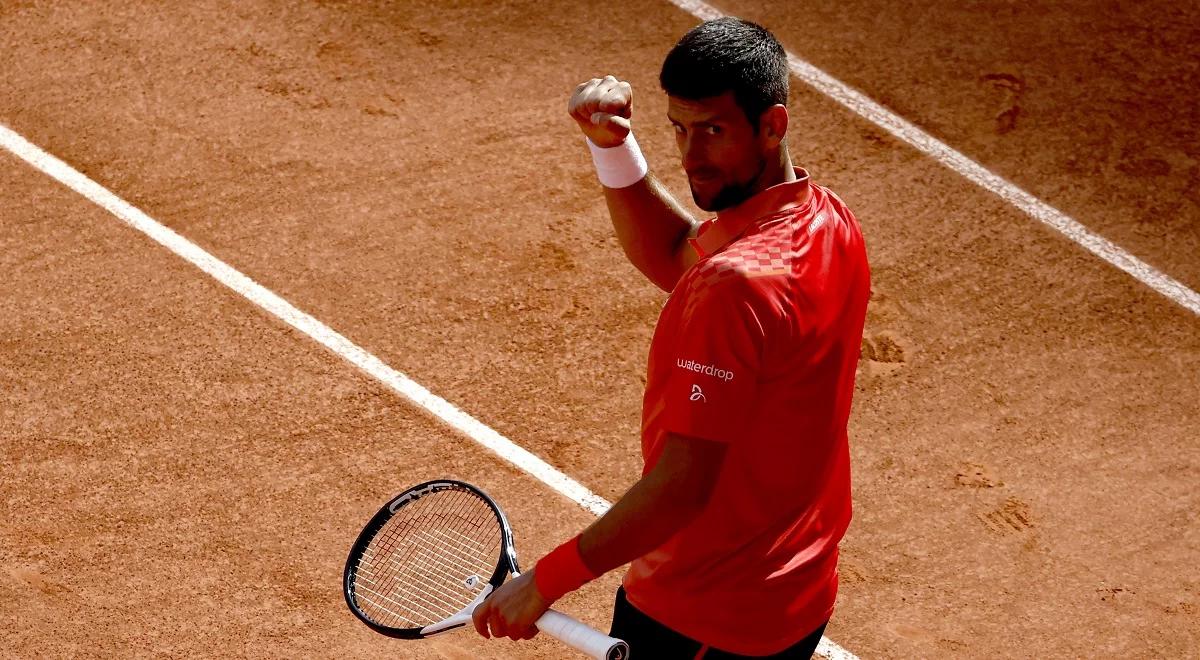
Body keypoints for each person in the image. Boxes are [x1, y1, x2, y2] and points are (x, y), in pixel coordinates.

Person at [473, 17, 870, 658]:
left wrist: (543, 583)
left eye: (713, 132)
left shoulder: (733, 287)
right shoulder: (825, 220)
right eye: (679, 130)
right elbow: (671, 253)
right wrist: (612, 147)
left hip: (704, 612)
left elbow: (684, 485)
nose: (690, 157)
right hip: (796, 588)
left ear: (773, 125)